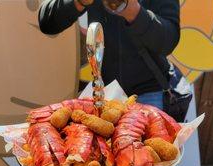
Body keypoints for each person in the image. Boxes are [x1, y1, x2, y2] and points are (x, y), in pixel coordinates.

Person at [39, 0, 180, 110]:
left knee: (149, 147)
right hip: (106, 95)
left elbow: (169, 41)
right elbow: (47, 22)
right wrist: (78, 2)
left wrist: (134, 13)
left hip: (150, 94)